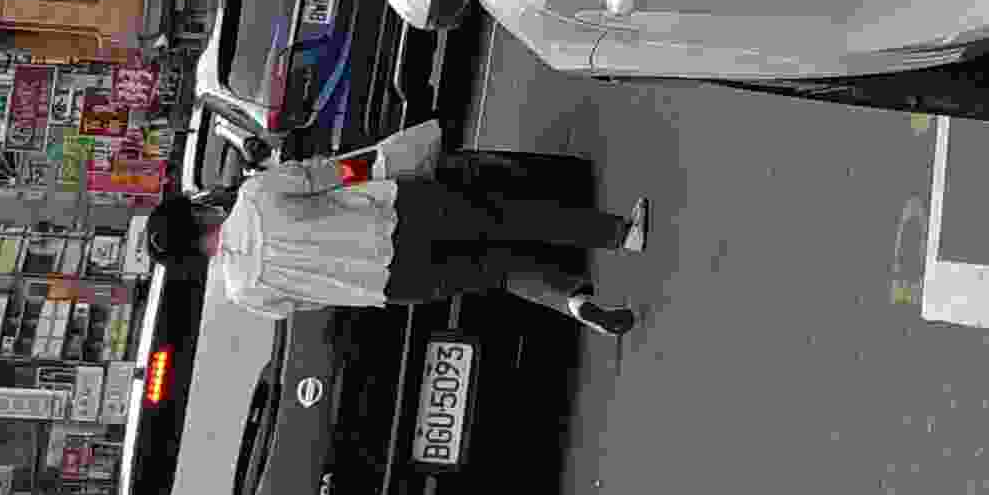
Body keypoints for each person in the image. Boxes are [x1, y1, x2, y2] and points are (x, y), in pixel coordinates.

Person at [205, 121, 653, 338]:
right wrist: (377, 162)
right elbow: (330, 173)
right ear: (203, 212)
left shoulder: (245, 291)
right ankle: (619, 234)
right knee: (509, 216)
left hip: (392, 284)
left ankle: (576, 303)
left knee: (498, 271)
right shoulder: (255, 196)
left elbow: (308, 303)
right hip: (398, 214)